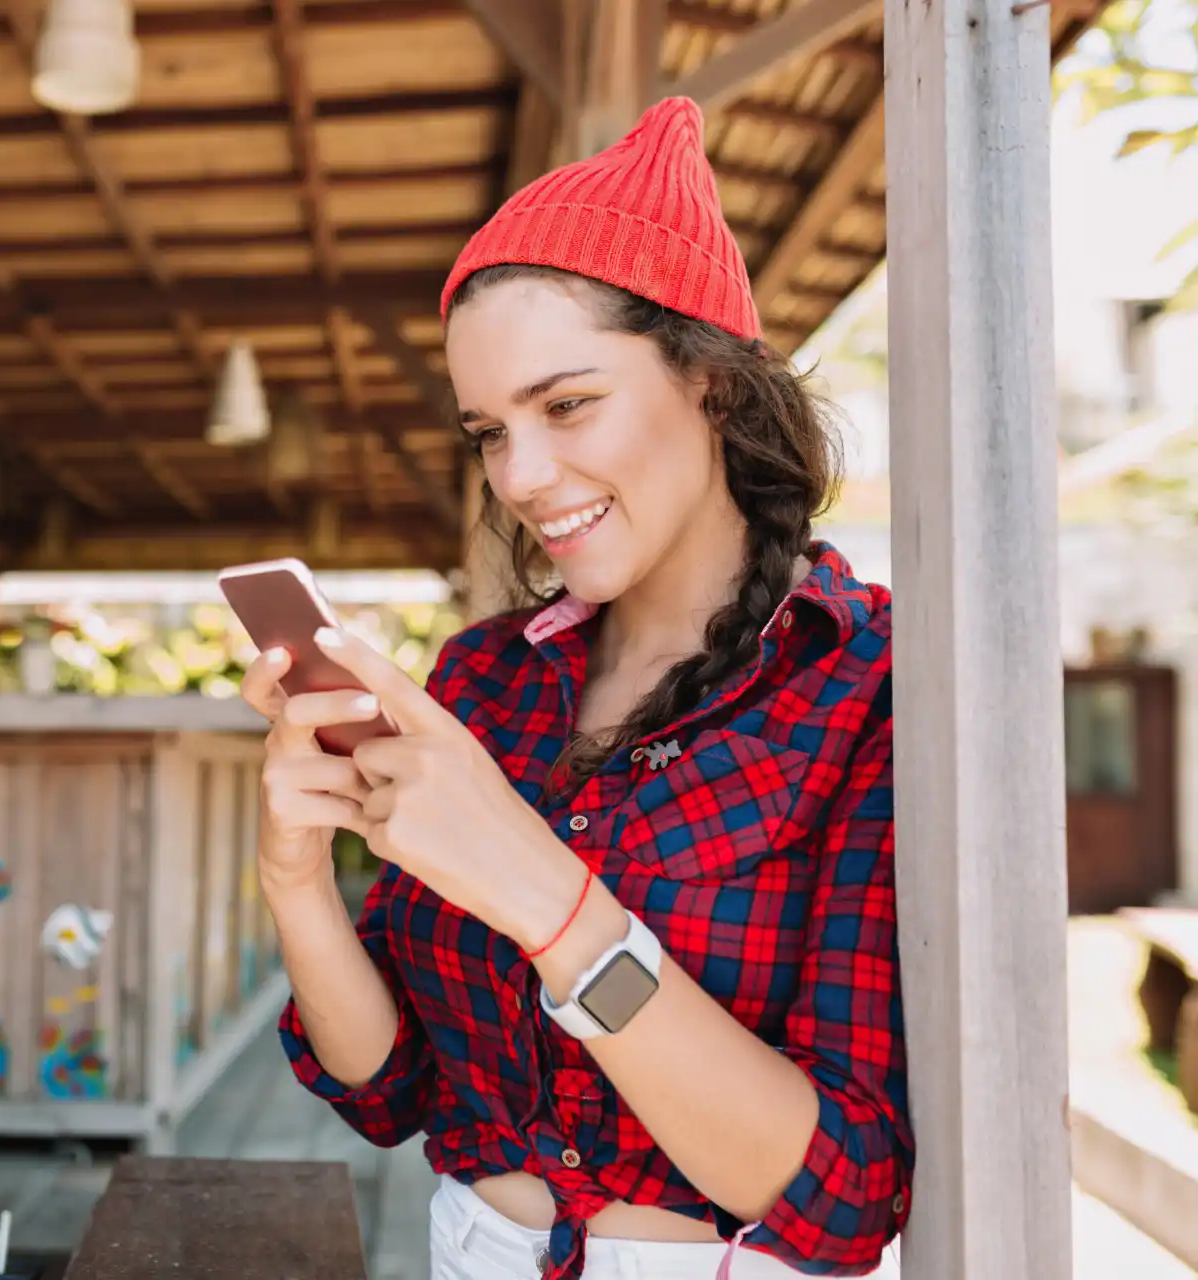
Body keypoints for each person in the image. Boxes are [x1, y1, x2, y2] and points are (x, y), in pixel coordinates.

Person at [239, 97, 909, 1280]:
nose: (525, 474)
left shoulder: (869, 683)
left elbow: (843, 1192)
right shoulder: (484, 680)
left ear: (711, 383)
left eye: (567, 403)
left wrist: (541, 892)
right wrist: (295, 874)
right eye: (488, 431)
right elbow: (392, 1087)